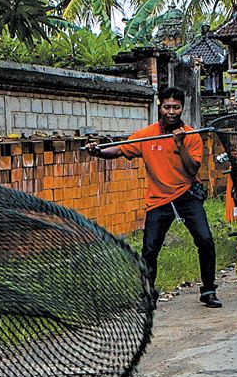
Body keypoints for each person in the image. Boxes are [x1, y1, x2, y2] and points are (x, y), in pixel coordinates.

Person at [85, 85, 222, 308]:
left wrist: (180, 143)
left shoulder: (192, 136)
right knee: (150, 248)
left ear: (182, 109)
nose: (171, 111)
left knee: (205, 240)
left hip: (187, 195)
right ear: (160, 107)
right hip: (159, 200)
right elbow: (119, 150)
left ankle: (208, 291)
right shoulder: (146, 135)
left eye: (176, 108)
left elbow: (192, 170)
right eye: (167, 107)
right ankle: (148, 294)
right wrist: (98, 151)